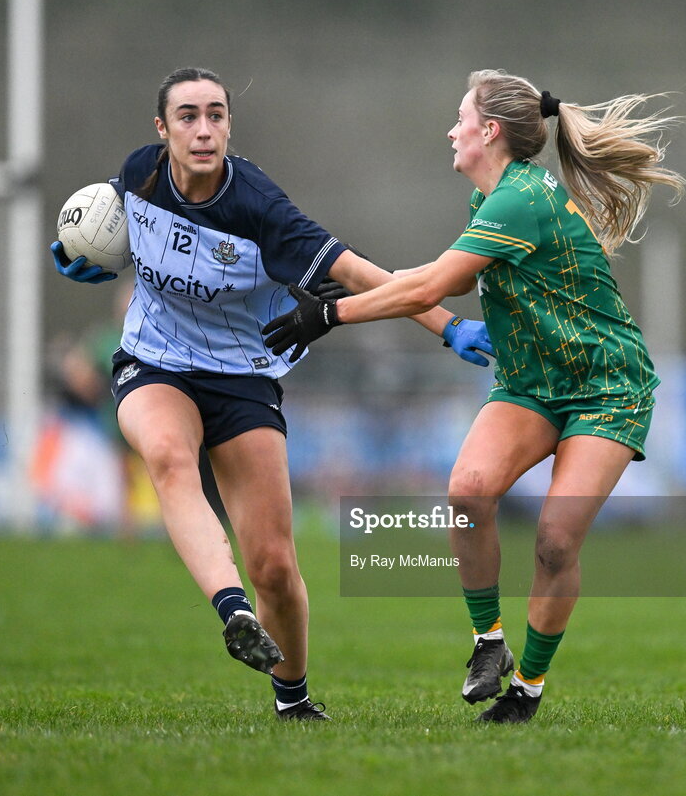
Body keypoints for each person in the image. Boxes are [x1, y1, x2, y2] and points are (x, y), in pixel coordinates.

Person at [49, 66, 494, 721]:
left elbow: (357, 273)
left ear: (230, 123)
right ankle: (232, 610)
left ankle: (293, 699)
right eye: (188, 116)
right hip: (154, 360)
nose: (204, 129)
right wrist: (74, 247)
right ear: (162, 129)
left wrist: (446, 323)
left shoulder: (259, 208)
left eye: (216, 115)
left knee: (277, 567)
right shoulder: (138, 175)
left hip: (243, 376)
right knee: (171, 460)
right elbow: (102, 227)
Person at [263, 69, 686, 722]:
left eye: (461, 117)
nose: (451, 130)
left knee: (554, 540)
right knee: (468, 491)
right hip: (532, 382)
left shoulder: (520, 199)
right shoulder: (493, 201)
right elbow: (426, 279)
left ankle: (528, 688)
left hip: (606, 386)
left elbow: (431, 286)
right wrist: (357, 295)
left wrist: (330, 315)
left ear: (489, 131)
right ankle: (488, 643)